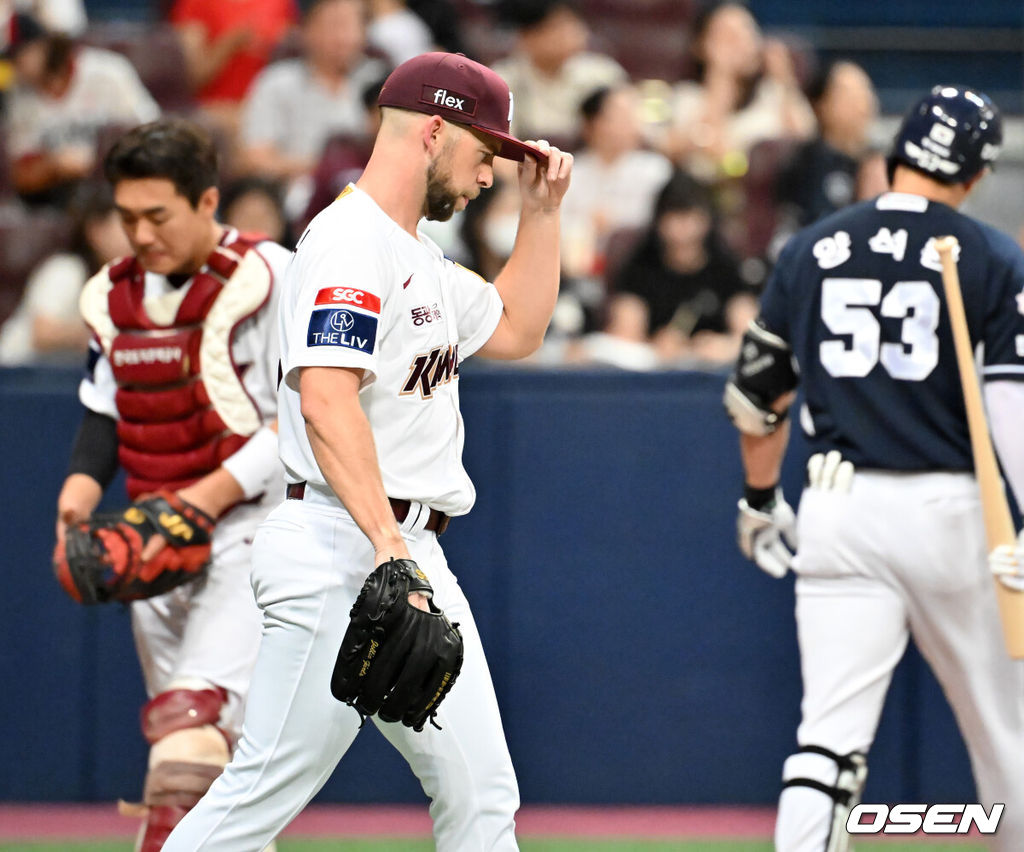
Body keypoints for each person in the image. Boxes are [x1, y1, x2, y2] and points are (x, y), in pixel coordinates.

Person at [164, 51, 572, 851]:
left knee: (482, 792)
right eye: (485, 153)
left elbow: (518, 328)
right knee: (254, 800)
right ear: (433, 130)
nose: (490, 175)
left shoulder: (414, 252)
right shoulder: (352, 243)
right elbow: (323, 399)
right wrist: (389, 549)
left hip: (400, 549)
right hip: (340, 549)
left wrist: (544, 213)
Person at [723, 86, 1024, 852]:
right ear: (977, 173)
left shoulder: (812, 248)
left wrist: (760, 499)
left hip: (838, 509)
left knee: (825, 738)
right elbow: (1011, 415)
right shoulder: (989, 254)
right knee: (1003, 734)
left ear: (895, 155)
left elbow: (757, 398)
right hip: (954, 515)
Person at [53, 118, 293, 851]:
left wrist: (209, 496)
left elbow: (308, 417)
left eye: (158, 215)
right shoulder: (115, 296)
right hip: (158, 534)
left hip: (255, 532)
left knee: (189, 734)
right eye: (127, 218)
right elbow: (106, 406)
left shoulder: (269, 276)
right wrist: (79, 498)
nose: (141, 233)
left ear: (208, 201)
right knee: (206, 754)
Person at [3, 12, 160, 207]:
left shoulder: (108, 71)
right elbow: (21, 177)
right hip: (56, 198)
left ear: (43, 45)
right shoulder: (19, 96)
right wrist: (55, 165)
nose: (16, 67)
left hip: (118, 184)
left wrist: (97, 161)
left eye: (19, 57)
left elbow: (152, 137)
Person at [606, 170, 755, 364]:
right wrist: (653, 346)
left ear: (708, 220)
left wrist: (725, 346)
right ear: (658, 221)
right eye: (674, 217)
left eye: (692, 217)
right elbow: (623, 337)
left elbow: (750, 335)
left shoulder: (726, 268)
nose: (684, 229)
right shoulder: (639, 268)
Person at [659, 1, 814, 182]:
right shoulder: (688, 97)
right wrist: (720, 75)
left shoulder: (773, 93)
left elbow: (806, 141)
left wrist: (785, 81)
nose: (742, 44)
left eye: (747, 32)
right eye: (729, 37)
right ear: (701, 46)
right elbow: (701, 155)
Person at [237, 0, 387, 187]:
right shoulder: (277, 82)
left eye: (352, 24)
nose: (343, 36)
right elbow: (254, 158)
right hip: (298, 194)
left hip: (370, 191)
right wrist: (323, 169)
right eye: (334, 24)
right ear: (305, 29)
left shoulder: (381, 81)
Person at [0, 181, 129, 365]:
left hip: (69, 377)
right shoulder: (66, 270)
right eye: (126, 224)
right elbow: (43, 335)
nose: (138, 235)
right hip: (18, 375)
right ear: (96, 230)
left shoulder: (131, 279)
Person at [559, 84, 673, 280]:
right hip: (575, 270)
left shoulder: (655, 170)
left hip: (641, 268)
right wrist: (586, 225)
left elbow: (665, 221)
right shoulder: (571, 170)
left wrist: (615, 223)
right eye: (619, 116)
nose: (630, 125)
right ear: (591, 125)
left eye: (632, 116)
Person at [492, 0, 626, 145]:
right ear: (526, 36)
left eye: (574, 24)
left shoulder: (603, 74)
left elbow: (632, 131)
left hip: (590, 165)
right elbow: (497, 145)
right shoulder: (502, 81)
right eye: (557, 27)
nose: (570, 34)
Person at [775, 60, 886, 231]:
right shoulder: (806, 163)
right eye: (849, 95)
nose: (861, 102)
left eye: (865, 91)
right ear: (821, 104)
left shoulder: (880, 161)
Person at [168, 0, 299, 132]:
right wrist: (229, 44)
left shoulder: (281, 3)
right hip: (214, 110)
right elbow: (192, 78)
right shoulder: (195, 3)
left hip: (267, 108)